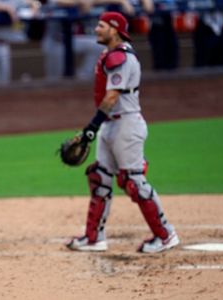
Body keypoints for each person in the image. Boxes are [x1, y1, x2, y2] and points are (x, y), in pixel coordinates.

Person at [66, 12, 179, 253]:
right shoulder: (108, 55)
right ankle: (95, 238)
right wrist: (97, 127)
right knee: (100, 178)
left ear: (115, 30)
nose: (96, 29)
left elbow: (112, 96)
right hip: (110, 124)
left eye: (101, 25)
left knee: (134, 182)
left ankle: (166, 235)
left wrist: (90, 129)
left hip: (126, 126)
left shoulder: (122, 58)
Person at [42, 0, 134, 81]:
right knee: (54, 79)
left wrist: (122, 1)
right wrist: (81, 2)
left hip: (72, 40)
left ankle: (83, 77)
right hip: (54, 43)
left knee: (99, 45)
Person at [0, 0, 40, 87]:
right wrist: (7, 8)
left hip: (4, 44)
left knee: (4, 81)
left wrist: (34, 7)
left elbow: (33, 3)